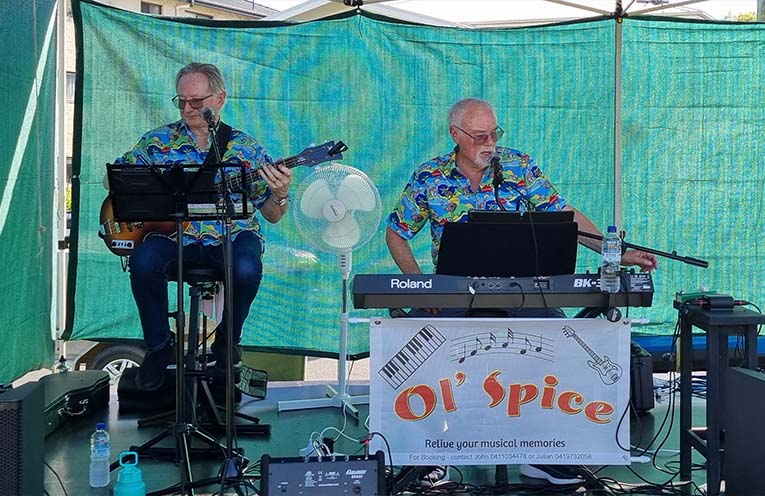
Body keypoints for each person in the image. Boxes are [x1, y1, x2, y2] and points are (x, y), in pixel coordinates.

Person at [385, 98, 657, 486]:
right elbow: (396, 233)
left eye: (494, 133)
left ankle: (541, 457)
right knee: (418, 350)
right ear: (456, 135)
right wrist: (421, 287)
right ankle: (430, 455)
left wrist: (616, 251)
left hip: (523, 291)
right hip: (454, 293)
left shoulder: (518, 166)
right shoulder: (429, 176)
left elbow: (564, 214)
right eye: (479, 136)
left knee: (565, 343)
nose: (490, 143)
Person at [112, 62, 293, 391]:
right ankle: (158, 346)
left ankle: (227, 341)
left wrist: (280, 194)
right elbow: (117, 180)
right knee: (143, 261)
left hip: (232, 235)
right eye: (181, 101)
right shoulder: (157, 142)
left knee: (246, 267)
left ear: (220, 99)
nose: (187, 109)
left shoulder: (246, 149)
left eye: (196, 101)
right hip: (174, 236)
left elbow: (272, 215)